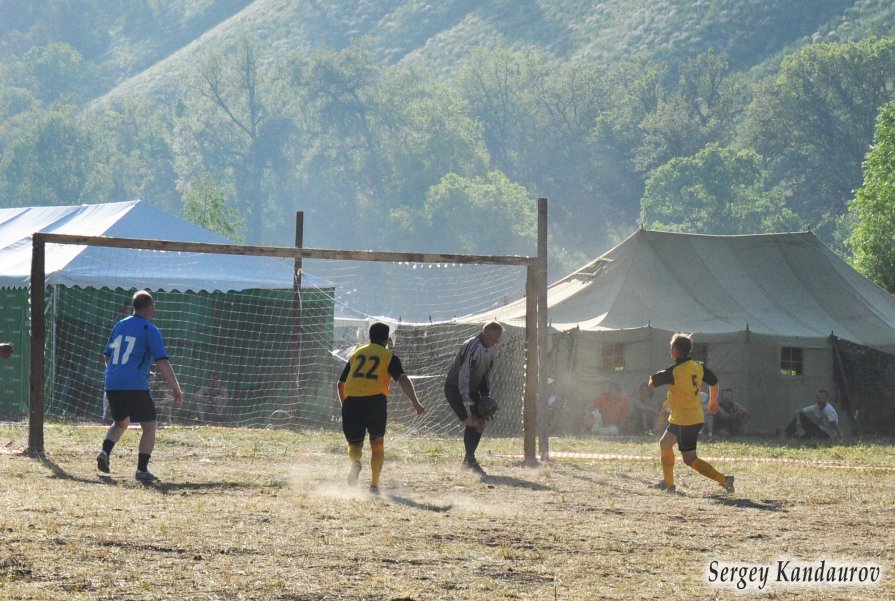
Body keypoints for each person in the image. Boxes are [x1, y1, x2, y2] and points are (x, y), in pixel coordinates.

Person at [95, 291, 183, 482]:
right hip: (134, 382)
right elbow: (162, 362)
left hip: (112, 381)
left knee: (120, 422)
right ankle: (142, 470)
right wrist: (176, 387)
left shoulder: (120, 324)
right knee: (150, 426)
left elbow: (107, 356)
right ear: (150, 307)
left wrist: (118, 372)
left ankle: (104, 452)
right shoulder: (149, 328)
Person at [337, 322, 425, 493]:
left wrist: (345, 405)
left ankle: (355, 462)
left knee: (355, 444)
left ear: (369, 336)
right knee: (377, 443)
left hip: (352, 402)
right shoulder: (388, 356)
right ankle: (374, 485)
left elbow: (341, 384)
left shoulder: (356, 353)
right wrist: (416, 402)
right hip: (375, 402)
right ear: (387, 339)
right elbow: (402, 379)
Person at [649, 333, 734, 494]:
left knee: (689, 459)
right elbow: (714, 381)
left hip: (686, 420)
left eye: (671, 346)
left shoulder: (674, 371)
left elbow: (652, 382)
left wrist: (655, 379)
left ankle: (725, 480)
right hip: (686, 417)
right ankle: (668, 483)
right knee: (665, 444)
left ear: (674, 349)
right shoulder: (697, 366)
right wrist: (713, 400)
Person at [444, 321, 503, 475]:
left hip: (472, 389)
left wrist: (485, 396)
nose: (497, 340)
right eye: (495, 336)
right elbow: (464, 371)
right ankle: (470, 461)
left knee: (481, 422)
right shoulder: (472, 345)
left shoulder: (492, 350)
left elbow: (486, 374)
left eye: (499, 337)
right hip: (455, 388)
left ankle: (468, 461)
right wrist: (464, 393)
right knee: (471, 422)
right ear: (486, 333)